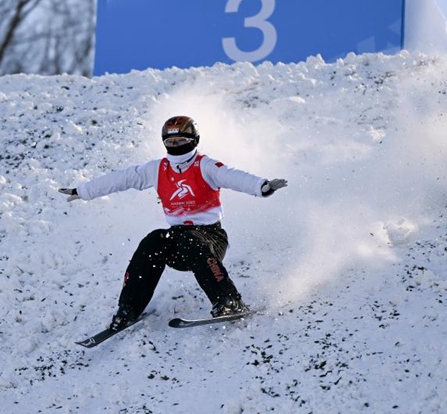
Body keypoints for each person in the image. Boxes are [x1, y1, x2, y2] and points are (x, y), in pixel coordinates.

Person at [59, 115, 287, 331]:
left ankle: (229, 301)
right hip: (176, 240)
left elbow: (231, 176)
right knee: (153, 240)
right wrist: (84, 191)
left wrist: (261, 186)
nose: (176, 145)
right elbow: (123, 178)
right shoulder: (158, 169)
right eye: (171, 141)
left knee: (190, 239)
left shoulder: (204, 165)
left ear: (193, 141)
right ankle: (128, 310)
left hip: (210, 240)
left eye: (181, 140)